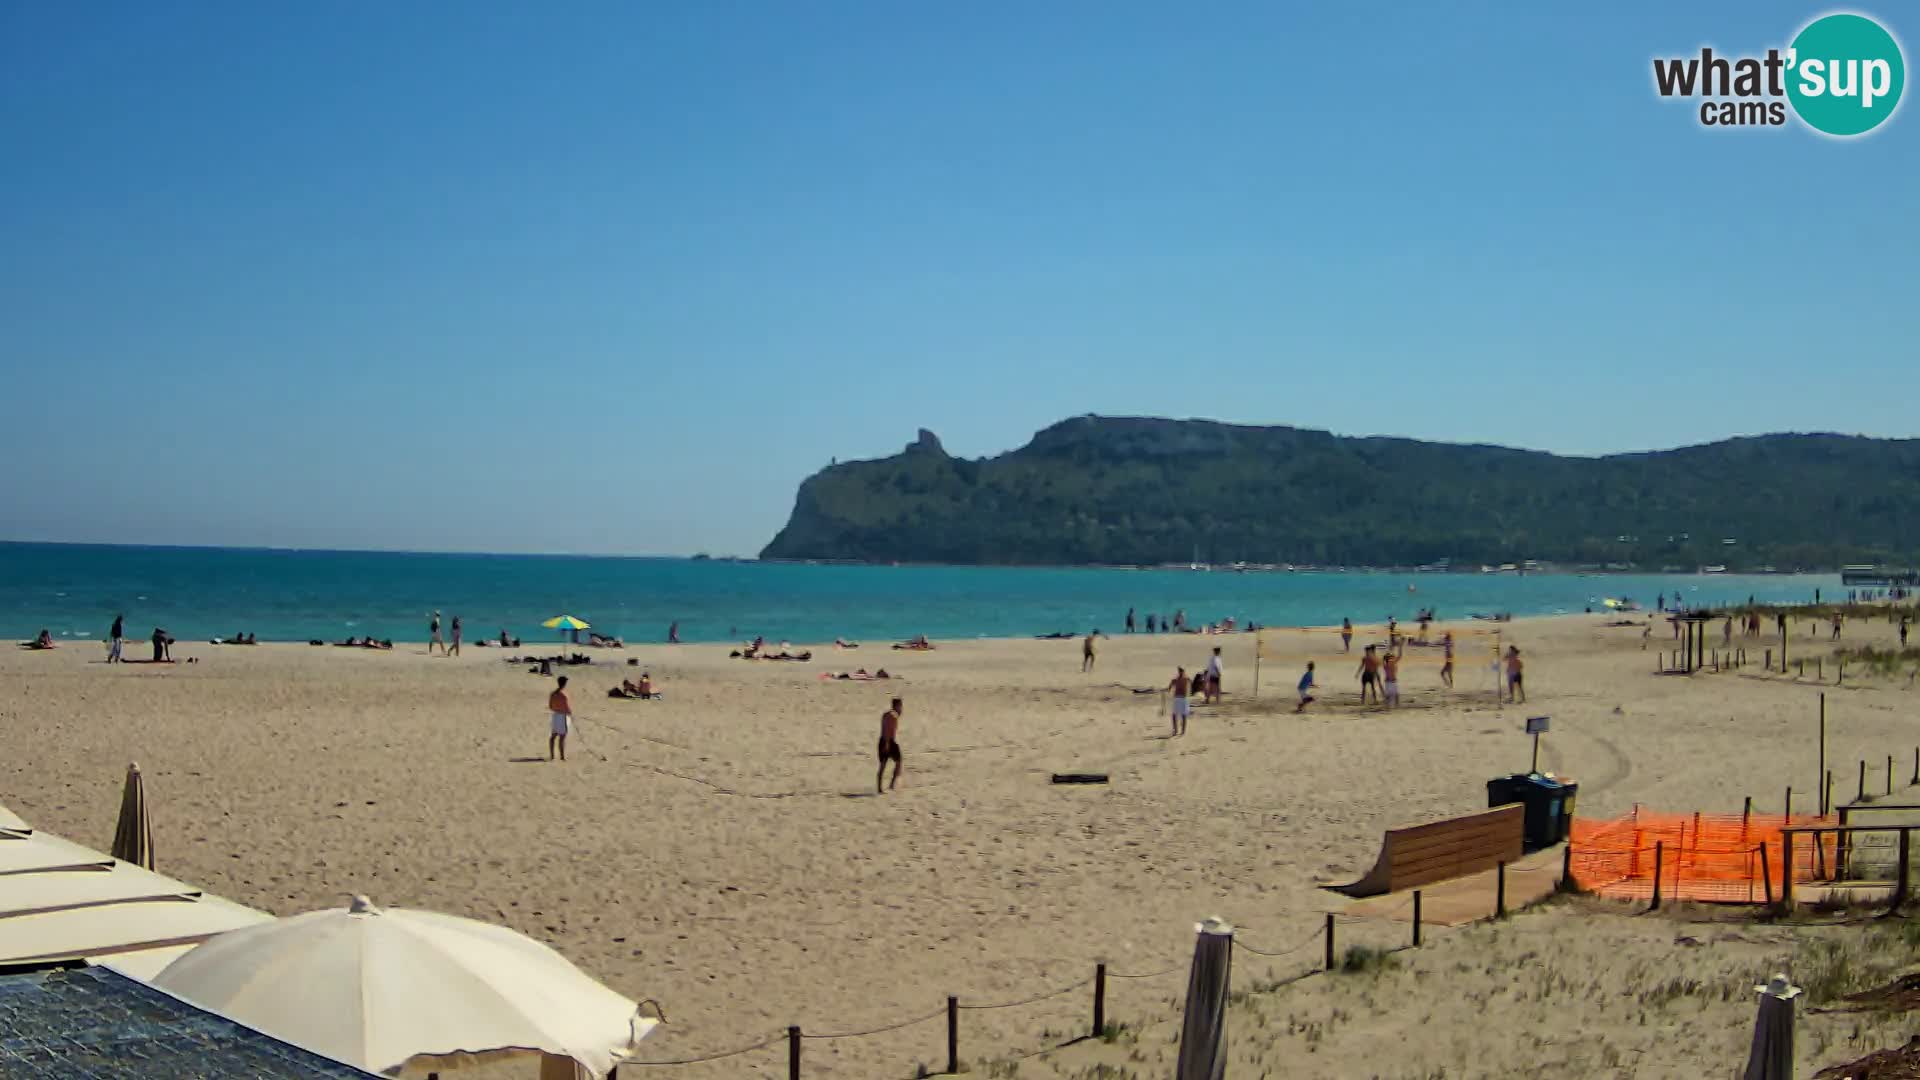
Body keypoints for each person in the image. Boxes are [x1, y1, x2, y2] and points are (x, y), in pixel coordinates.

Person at [877, 696, 904, 793]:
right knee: (899, 762)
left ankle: (879, 788)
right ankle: (891, 785)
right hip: (889, 741)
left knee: (882, 765)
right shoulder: (893, 716)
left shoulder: (886, 714)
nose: (901, 708)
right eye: (900, 706)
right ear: (897, 706)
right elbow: (888, 730)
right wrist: (888, 744)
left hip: (882, 740)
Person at [547, 676, 572, 762]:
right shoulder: (564, 695)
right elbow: (567, 708)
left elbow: (550, 706)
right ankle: (562, 757)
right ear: (564, 684)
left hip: (555, 716)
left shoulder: (553, 694)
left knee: (553, 736)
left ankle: (552, 756)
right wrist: (569, 713)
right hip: (563, 717)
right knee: (562, 737)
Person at [1167, 667, 1191, 737]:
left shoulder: (1186, 678)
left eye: (1181, 671)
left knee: (1183, 715)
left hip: (1183, 698)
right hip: (1177, 698)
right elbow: (1170, 685)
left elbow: (1191, 682)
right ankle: (1175, 729)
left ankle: (1183, 731)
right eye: (1179, 670)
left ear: (1183, 671)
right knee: (1174, 714)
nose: (1180, 672)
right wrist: (1169, 689)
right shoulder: (1176, 679)